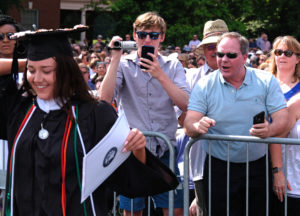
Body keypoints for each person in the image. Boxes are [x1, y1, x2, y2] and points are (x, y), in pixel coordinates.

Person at [0, 26, 179, 215]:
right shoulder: (19, 111)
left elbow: (127, 178)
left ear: (65, 70)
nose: (37, 79)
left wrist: (138, 148)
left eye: (46, 70)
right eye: (31, 70)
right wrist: (26, 62)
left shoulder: (93, 114)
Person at [184, 32, 289, 216]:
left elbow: (283, 118)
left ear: (245, 57)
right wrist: (196, 127)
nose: (223, 59)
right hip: (218, 168)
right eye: (219, 54)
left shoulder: (265, 81)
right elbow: (189, 123)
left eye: (231, 55)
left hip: (257, 167)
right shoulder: (205, 85)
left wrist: (270, 129)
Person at [99, 11, 189, 216]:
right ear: (134, 36)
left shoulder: (173, 65)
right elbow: (104, 99)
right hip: (131, 148)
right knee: (132, 211)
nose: (147, 39)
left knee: (173, 209)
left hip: (164, 148)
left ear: (162, 38)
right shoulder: (122, 64)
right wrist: (114, 59)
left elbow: (185, 103)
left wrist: (160, 75)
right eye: (142, 35)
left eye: (153, 35)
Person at [184, 19, 229, 216]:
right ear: (204, 50)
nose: (215, 51)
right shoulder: (191, 78)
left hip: (238, 163)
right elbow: (181, 119)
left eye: (220, 45)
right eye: (211, 46)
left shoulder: (247, 78)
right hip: (201, 166)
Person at [268, 36, 300, 216]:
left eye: (288, 52)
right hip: (262, 157)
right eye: (278, 52)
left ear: (298, 58)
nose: (282, 56)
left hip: (290, 160)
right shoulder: (264, 83)